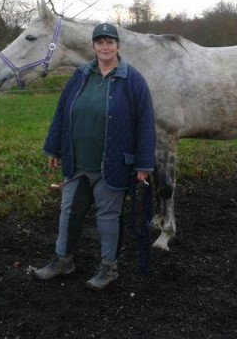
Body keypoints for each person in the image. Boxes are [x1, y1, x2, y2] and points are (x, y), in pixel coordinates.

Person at [35, 23, 156, 290]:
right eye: (99, 42)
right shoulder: (80, 76)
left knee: (108, 217)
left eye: (109, 42)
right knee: (69, 212)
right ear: (93, 47)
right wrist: (54, 147)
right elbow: (62, 111)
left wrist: (144, 164)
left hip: (111, 165)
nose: (104, 47)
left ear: (118, 47)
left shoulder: (132, 80)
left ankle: (109, 268)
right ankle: (63, 261)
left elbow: (146, 123)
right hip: (77, 162)